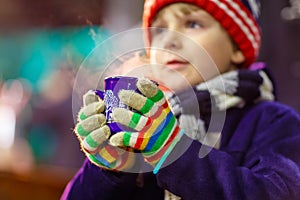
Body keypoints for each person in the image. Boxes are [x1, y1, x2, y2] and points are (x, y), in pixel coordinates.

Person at [62, 0, 300, 199]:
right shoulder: (140, 125)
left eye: (193, 23)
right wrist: (107, 171)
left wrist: (173, 151)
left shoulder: (273, 121)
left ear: (238, 47)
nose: (170, 41)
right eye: (160, 30)